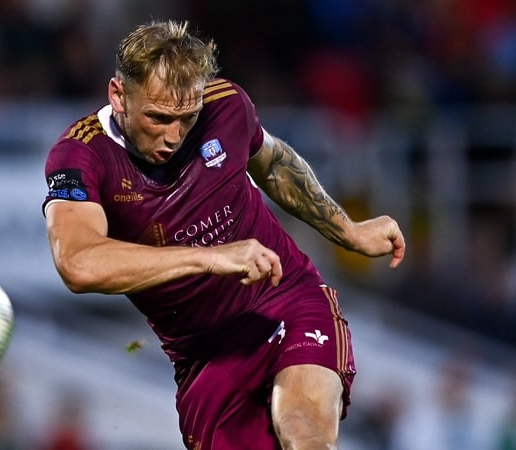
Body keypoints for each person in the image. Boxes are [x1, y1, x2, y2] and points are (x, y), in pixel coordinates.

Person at [42, 20, 405, 450]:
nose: (174, 136)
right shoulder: (81, 154)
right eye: (158, 117)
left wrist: (348, 230)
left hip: (285, 300)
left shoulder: (226, 105)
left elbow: (271, 162)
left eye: (186, 118)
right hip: (204, 358)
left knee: (304, 430)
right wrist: (209, 256)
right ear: (118, 95)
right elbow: (78, 263)